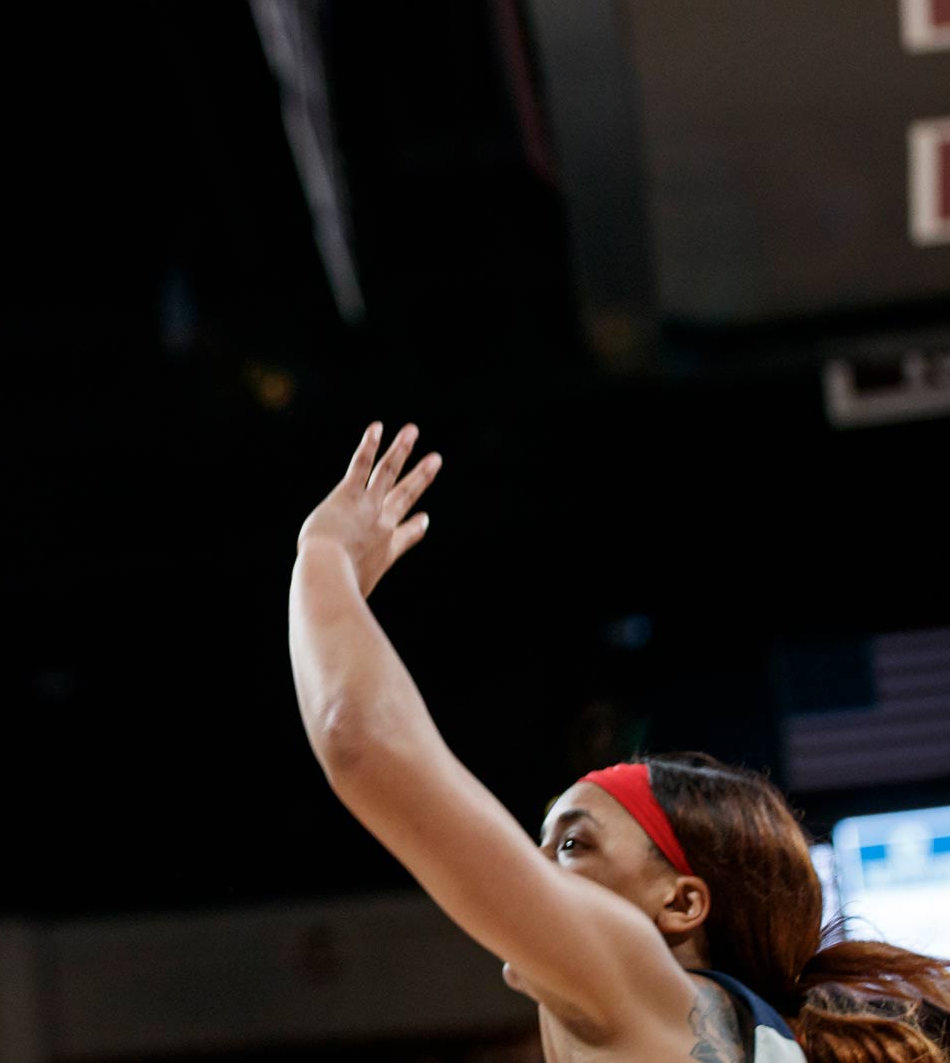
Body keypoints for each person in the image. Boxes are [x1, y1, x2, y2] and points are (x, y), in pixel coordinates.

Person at [288, 422, 950, 1062]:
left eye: (573, 844)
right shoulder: (724, 1030)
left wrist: (325, 555)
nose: (530, 862)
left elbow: (362, 737)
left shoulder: (646, 980)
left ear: (682, 902)